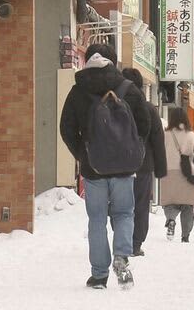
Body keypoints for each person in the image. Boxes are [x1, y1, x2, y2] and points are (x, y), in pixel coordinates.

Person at [60, 44, 151, 290]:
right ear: (113, 62)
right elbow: (145, 123)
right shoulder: (129, 89)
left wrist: (83, 153)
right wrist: (134, 148)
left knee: (97, 219)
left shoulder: (78, 91)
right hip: (124, 167)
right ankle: (121, 256)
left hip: (93, 168)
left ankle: (99, 275)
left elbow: (66, 128)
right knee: (123, 213)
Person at [121, 68, 167, 257]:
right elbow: (157, 138)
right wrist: (160, 167)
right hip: (143, 164)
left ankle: (121, 239)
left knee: (121, 204)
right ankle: (135, 243)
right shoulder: (148, 108)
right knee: (140, 204)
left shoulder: (116, 105)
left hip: (118, 164)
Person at [159, 107, 194, 243]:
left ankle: (171, 220)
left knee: (169, 203)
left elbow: (159, 153)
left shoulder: (165, 135)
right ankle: (185, 235)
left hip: (168, 173)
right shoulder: (192, 136)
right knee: (187, 205)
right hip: (188, 174)